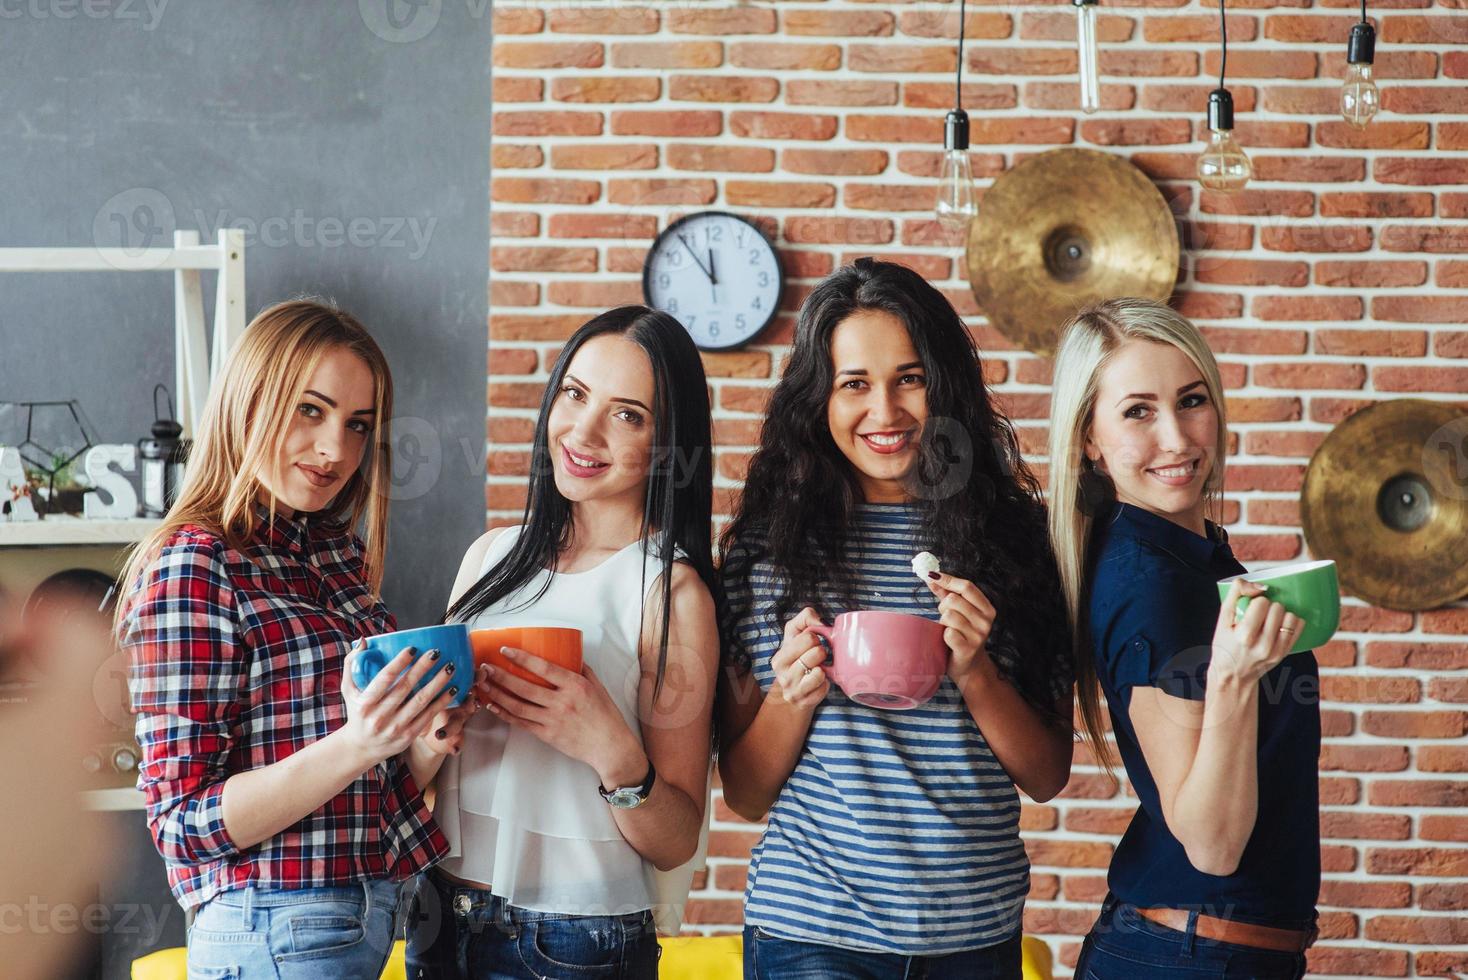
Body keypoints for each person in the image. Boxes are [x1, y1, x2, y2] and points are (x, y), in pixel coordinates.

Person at [718, 259, 1086, 979]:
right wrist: (794, 695)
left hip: (973, 936)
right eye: (854, 384)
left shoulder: (1016, 544)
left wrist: (975, 671)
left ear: (945, 388)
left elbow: (1046, 775)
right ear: (819, 399)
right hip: (812, 932)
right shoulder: (767, 550)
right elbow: (747, 792)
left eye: (909, 379)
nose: (884, 413)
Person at [118, 299, 471, 978]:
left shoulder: (334, 556)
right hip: (267, 929)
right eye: (310, 410)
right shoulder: (196, 564)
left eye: (357, 425)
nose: (336, 449)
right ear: (250, 401)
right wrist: (359, 742)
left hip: (361, 918)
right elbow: (182, 824)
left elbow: (358, 797)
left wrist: (418, 742)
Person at [407, 306, 721, 979]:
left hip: (577, 941)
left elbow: (674, 842)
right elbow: (421, 775)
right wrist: (430, 736)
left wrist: (611, 749)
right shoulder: (490, 557)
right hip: (440, 915)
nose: (583, 431)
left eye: (628, 415)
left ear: (668, 444)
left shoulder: (671, 592)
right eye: (574, 395)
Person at [1048, 298, 1319, 978]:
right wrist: (1232, 679)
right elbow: (1211, 845)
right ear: (1089, 438)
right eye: (1138, 410)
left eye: (1191, 400)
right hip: (1187, 958)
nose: (1177, 437)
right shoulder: (1149, 583)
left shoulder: (1191, 558)